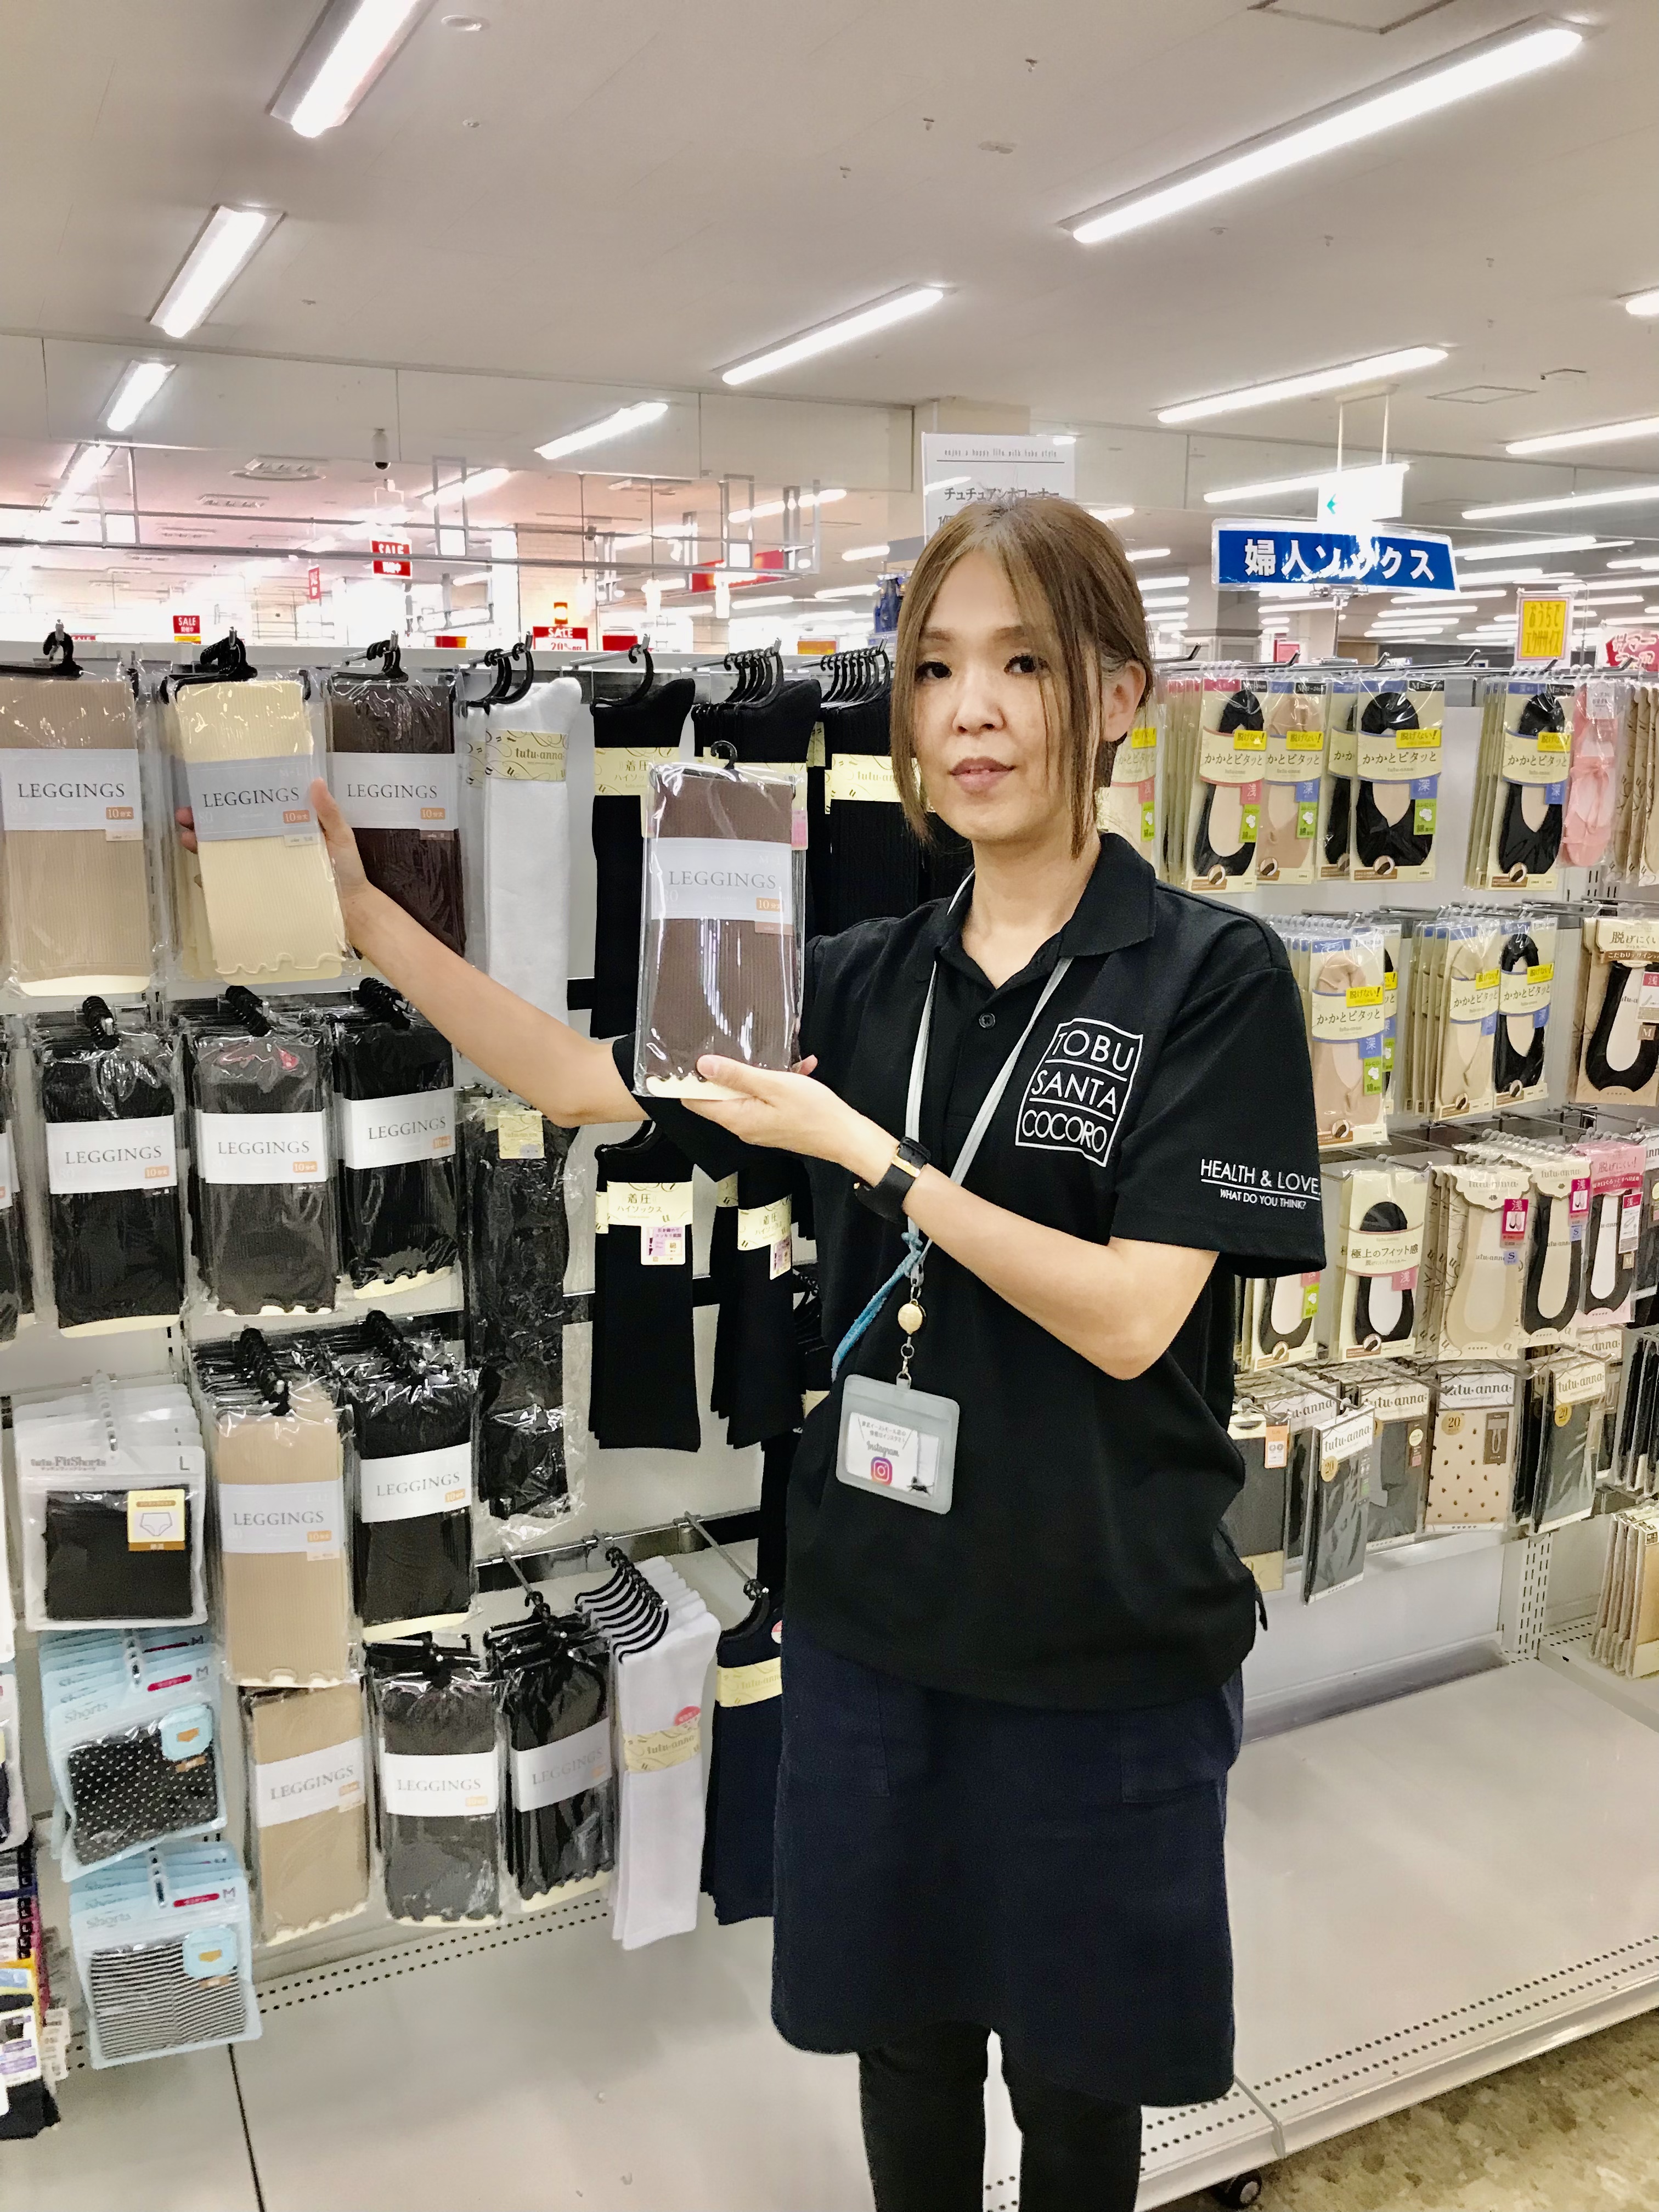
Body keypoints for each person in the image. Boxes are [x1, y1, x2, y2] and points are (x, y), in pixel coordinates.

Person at [186, 498, 1323, 2212]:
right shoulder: (862, 977)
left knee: (1079, 2085)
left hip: (1101, 1643)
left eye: (1025, 665)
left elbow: (1130, 1314)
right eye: (935, 671)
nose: (971, 712)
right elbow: (582, 1082)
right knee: (906, 2048)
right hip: (878, 1627)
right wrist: (373, 929)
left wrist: (876, 1162)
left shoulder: (1210, 978)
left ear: (1119, 696)